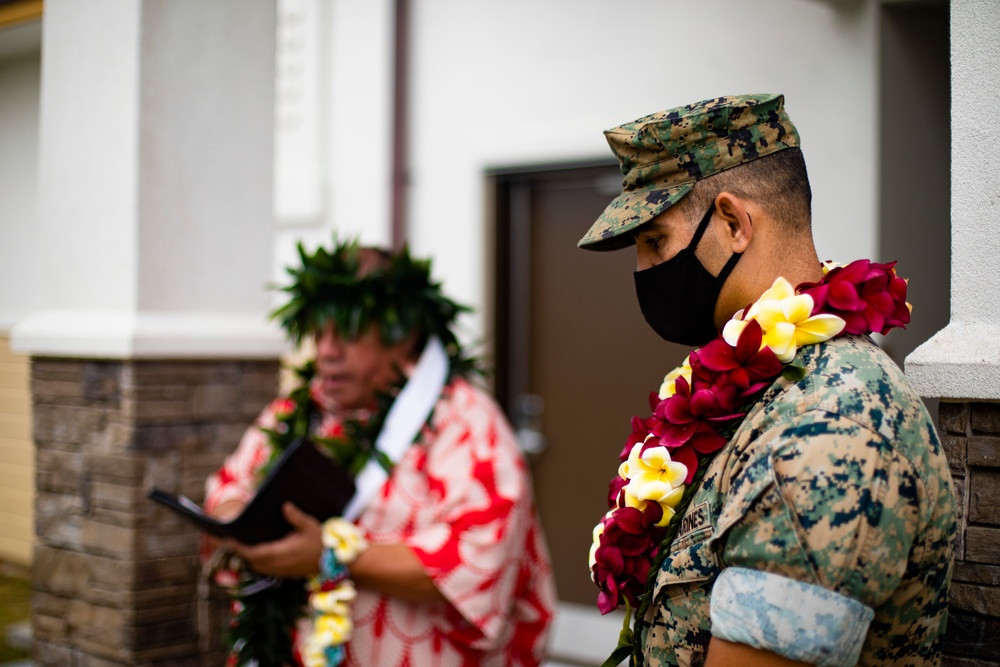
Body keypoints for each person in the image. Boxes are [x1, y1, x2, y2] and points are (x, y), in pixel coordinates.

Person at [580, 94, 956, 667]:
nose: (644, 270)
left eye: (656, 241)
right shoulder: (759, 385)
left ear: (732, 223)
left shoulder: (828, 425)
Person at [205, 241, 556, 666]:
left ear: (403, 336)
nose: (327, 351)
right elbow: (229, 486)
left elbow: (476, 553)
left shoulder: (465, 421)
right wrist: (238, 517)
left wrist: (329, 557)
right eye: (319, 332)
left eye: (348, 332)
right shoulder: (300, 409)